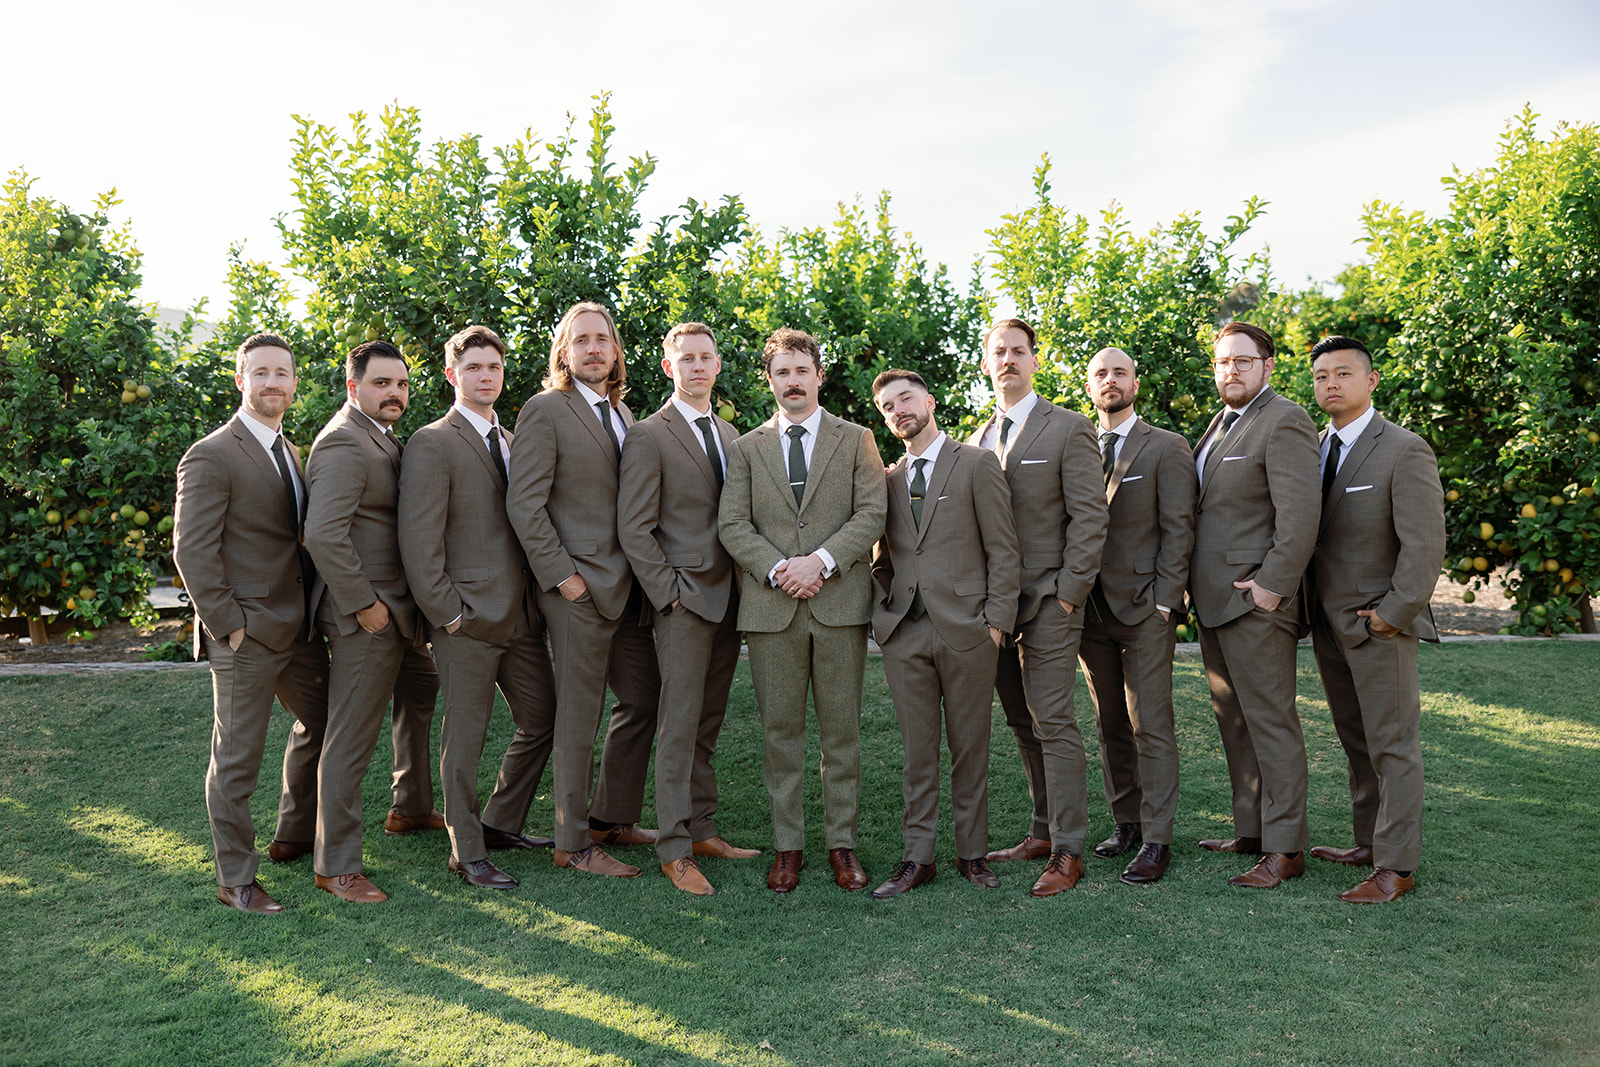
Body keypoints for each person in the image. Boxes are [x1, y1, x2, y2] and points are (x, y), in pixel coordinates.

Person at [718, 328, 887, 893]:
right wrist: (779, 569)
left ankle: (842, 846)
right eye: (782, 372)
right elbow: (733, 525)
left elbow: (871, 515)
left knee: (841, 736)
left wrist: (818, 562)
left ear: (819, 374)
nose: (793, 381)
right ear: (770, 380)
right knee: (780, 734)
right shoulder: (745, 449)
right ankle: (788, 847)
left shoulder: (857, 438)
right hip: (771, 609)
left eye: (802, 370)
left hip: (838, 605)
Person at [398, 325, 557, 891]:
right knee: (463, 738)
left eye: (493, 367)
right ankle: (467, 853)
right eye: (473, 369)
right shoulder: (431, 441)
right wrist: (448, 613)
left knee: (544, 717)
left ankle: (499, 823)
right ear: (452, 376)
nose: (485, 376)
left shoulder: (513, 438)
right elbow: (419, 540)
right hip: (464, 618)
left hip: (519, 616)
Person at [174, 333, 329, 914]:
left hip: (297, 628)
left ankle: (292, 832)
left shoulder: (292, 451)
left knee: (326, 721)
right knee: (237, 757)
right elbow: (191, 550)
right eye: (260, 373)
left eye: (282, 374)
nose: (272, 383)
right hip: (245, 632)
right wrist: (228, 622)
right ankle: (235, 878)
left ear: (293, 383)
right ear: (240, 380)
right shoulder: (212, 453)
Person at [508, 301, 660, 878]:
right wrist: (562, 576)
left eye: (603, 339)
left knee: (643, 698)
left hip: (628, 590)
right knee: (578, 716)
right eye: (582, 340)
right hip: (576, 589)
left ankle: (611, 817)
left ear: (616, 351)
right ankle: (572, 842)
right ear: (564, 352)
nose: (594, 349)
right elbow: (525, 503)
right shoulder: (545, 410)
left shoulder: (625, 416)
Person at [617, 323, 762, 896]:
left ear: (718, 364)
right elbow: (634, 526)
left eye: (707, 357)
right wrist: (668, 592)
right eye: (688, 359)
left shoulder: (730, 434)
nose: (698, 366)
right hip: (682, 601)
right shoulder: (650, 435)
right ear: (668, 365)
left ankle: (702, 827)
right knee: (677, 725)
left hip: (731, 599)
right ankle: (674, 848)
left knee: (707, 721)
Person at [970, 319, 1109, 897]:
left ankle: (1069, 851)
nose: (1008, 360)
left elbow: (1090, 517)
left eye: (1018, 352)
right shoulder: (978, 437)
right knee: (1022, 723)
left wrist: (1070, 592)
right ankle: (1041, 831)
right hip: (995, 608)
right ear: (985, 364)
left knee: (1053, 720)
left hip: (1052, 599)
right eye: (998, 352)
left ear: (1034, 361)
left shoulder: (1069, 427)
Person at [868, 369, 1019, 898]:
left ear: (930, 401)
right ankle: (917, 858)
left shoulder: (977, 463)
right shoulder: (885, 482)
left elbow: (1004, 549)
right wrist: (881, 618)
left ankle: (972, 855)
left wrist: (997, 624)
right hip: (905, 634)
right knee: (917, 752)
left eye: (905, 398)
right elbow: (881, 560)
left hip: (970, 632)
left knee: (970, 748)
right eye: (887, 407)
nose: (898, 410)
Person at [1306, 335, 1444, 903]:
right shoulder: (1314, 447)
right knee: (1356, 740)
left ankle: (1396, 866)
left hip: (1377, 624)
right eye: (1320, 376)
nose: (1330, 384)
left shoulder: (1404, 449)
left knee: (1392, 744)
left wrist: (1393, 614)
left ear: (1371, 381)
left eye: (1342, 373)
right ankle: (1368, 841)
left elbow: (1425, 544)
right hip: (1327, 622)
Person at [303, 341, 442, 904]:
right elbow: (323, 535)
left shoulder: (379, 437)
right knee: (350, 738)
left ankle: (409, 808)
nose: (395, 394)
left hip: (398, 612)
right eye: (383, 383)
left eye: (402, 385)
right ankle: (335, 865)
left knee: (422, 690)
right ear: (353, 386)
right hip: (366, 616)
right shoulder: (342, 441)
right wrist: (365, 605)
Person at [1191, 321, 1319, 888]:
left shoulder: (1285, 419)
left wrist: (1273, 584)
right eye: (1222, 362)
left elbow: (1299, 515)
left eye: (1243, 361)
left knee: (1270, 723)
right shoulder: (1219, 425)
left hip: (1256, 603)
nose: (1231, 371)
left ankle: (1286, 849)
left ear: (1269, 366)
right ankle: (1254, 832)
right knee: (1234, 722)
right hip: (1215, 603)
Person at [1077, 347, 1195, 885]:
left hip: (1147, 608)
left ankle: (1156, 838)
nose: (1110, 380)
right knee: (1110, 724)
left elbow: (1179, 529)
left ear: (1135, 383)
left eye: (1119, 372)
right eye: (1100, 373)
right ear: (1089, 384)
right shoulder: (1077, 444)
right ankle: (1125, 822)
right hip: (1087, 610)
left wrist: (1167, 602)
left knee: (1151, 723)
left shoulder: (1166, 447)